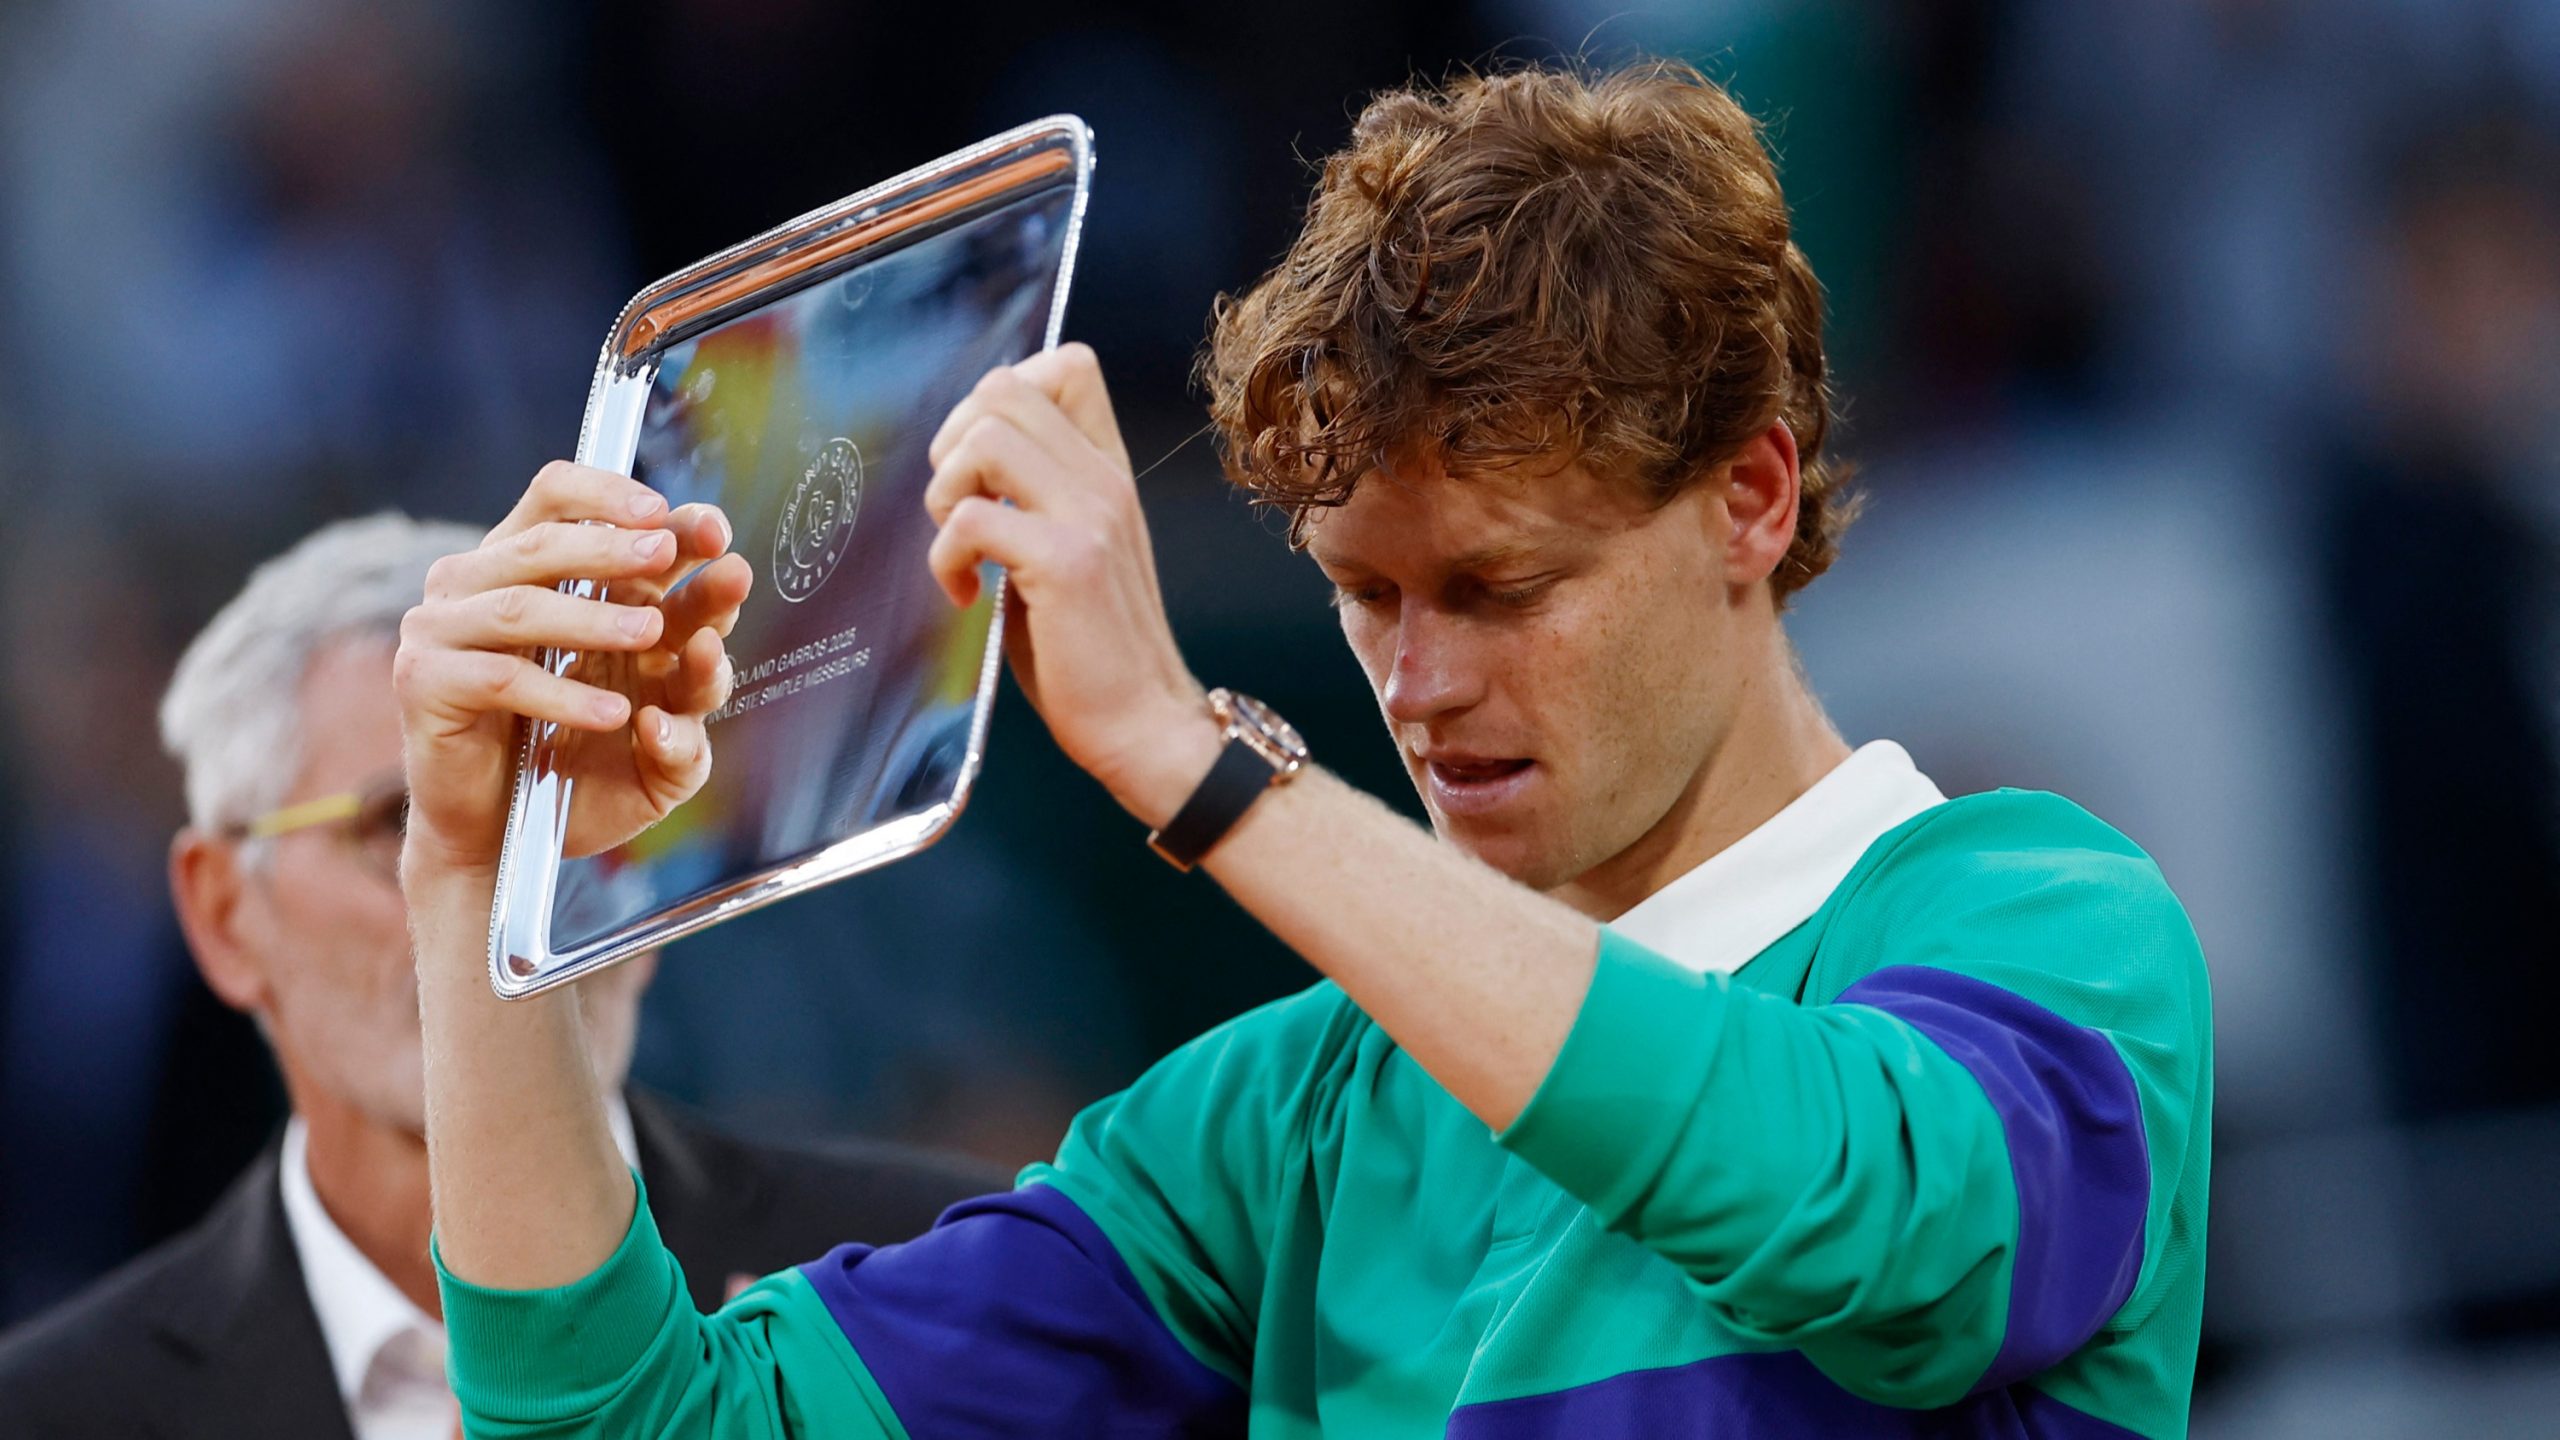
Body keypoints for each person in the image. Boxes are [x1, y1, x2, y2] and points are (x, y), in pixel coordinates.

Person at [403, 61, 2211, 1439]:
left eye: (1502, 586)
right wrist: (481, 891)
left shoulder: (2042, 920)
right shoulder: (1276, 1127)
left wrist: (1203, 760)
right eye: (1363, 592)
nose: (1417, 681)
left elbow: (1871, 1225)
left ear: (1751, 495)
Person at [0, 514, 1004, 1439]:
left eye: (563, 822)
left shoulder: (940, 1273)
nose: (509, 905)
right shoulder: (55, 1414)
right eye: (404, 823)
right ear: (225, 916)